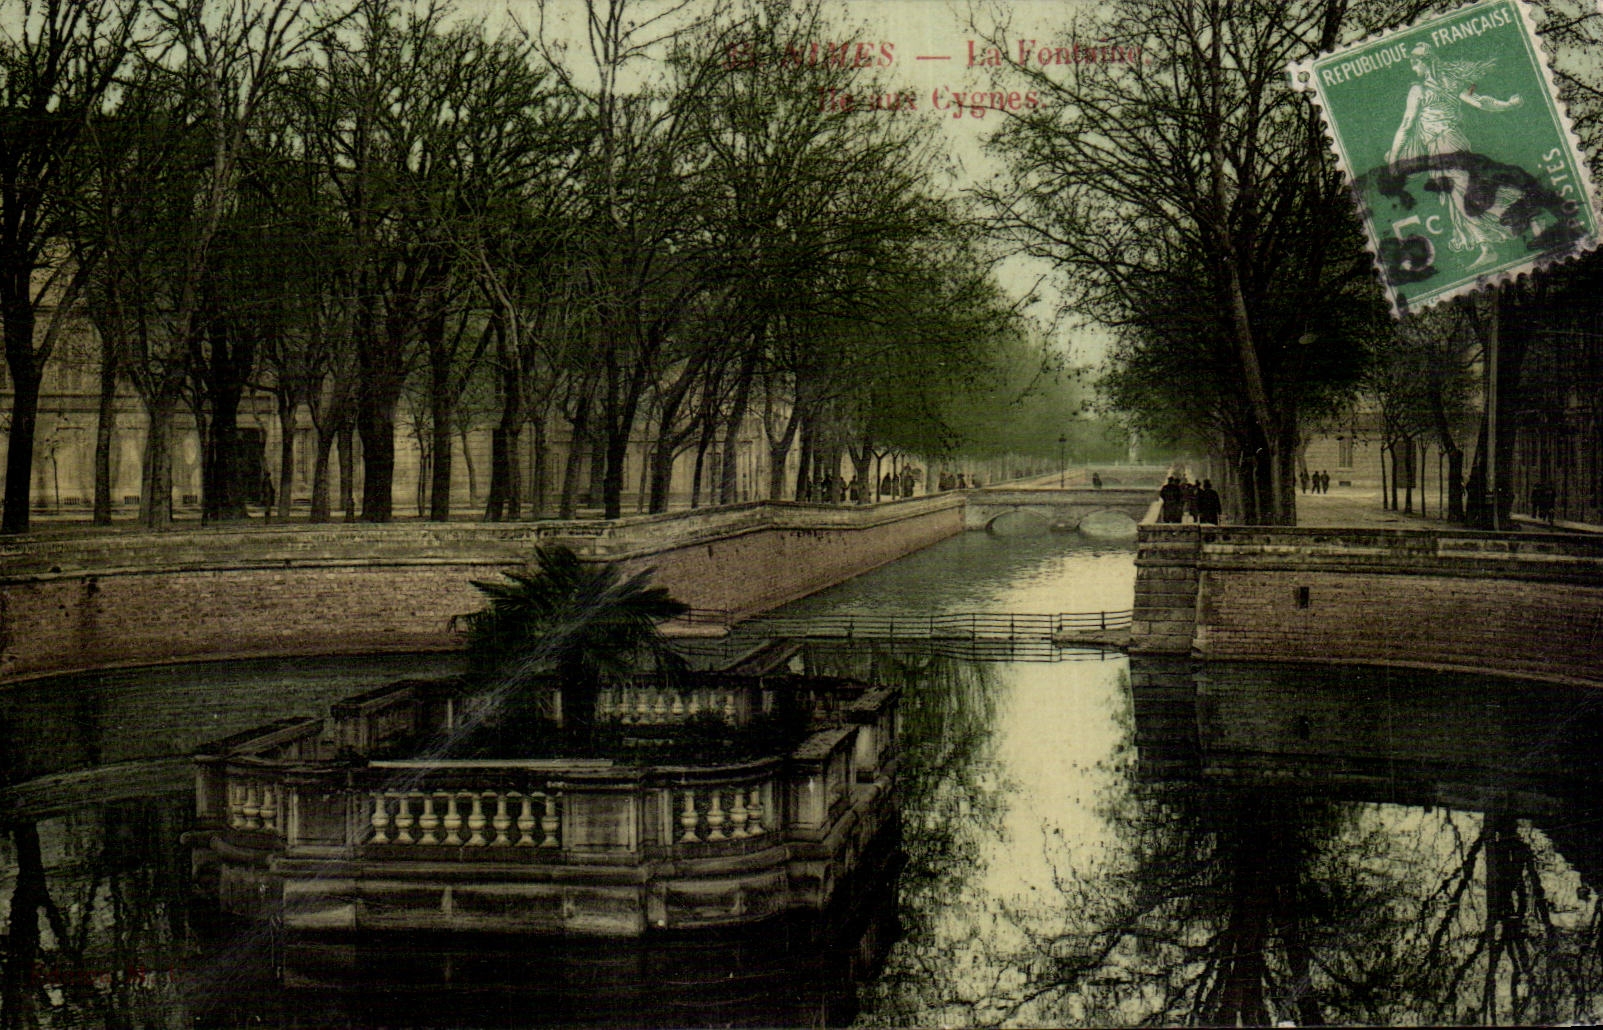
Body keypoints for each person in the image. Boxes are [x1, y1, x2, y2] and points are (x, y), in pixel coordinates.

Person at [1386, 43, 1524, 270]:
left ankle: (1505, 220)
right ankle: (1490, 242)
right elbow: (1481, 101)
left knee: (1462, 196)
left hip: (1443, 144)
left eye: (1414, 62)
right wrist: (1507, 105)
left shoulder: (1418, 91)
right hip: (1452, 142)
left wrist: (1394, 159)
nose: (1413, 68)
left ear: (1426, 62)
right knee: (1460, 195)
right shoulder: (1451, 84)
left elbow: (1406, 124)